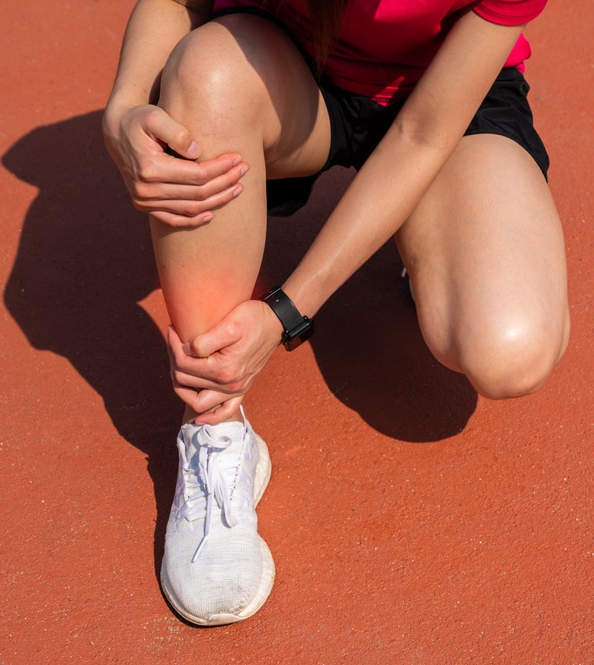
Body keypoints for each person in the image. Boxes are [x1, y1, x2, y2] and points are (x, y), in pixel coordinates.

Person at [102, 0, 569, 625]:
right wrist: (126, 105)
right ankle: (213, 427)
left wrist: (286, 312)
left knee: (509, 351)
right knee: (204, 73)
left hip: (444, 102)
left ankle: (424, 228)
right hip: (293, 72)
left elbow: (422, 132)